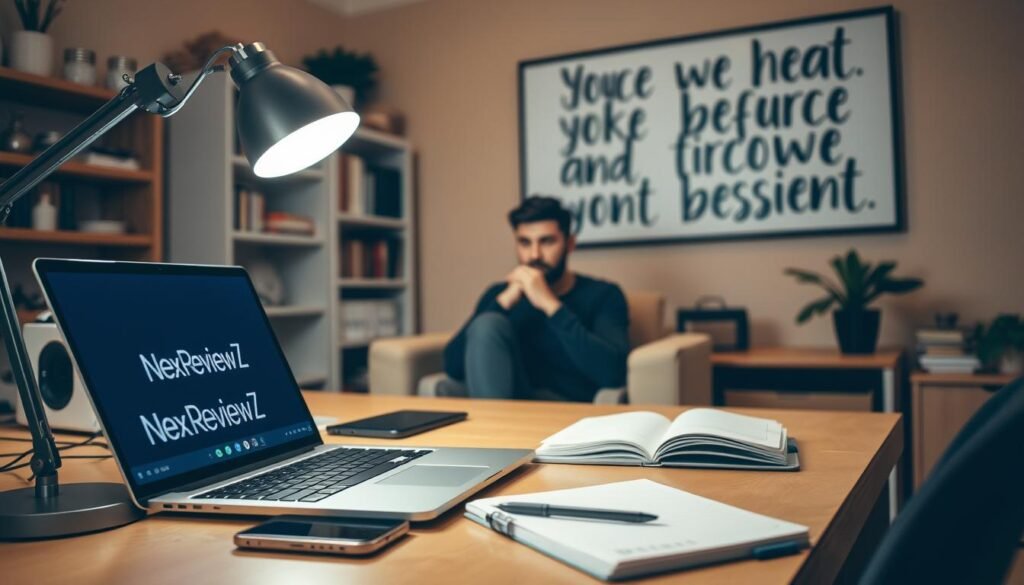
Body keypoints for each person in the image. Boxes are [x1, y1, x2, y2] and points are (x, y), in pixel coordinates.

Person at [443, 196, 630, 402]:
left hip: (569, 411)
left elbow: (613, 371)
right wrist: (501, 304)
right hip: (508, 408)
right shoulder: (499, 295)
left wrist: (551, 305)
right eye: (524, 243)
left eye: (547, 241)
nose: (534, 255)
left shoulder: (604, 295)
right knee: (488, 323)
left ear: (570, 244)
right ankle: (495, 429)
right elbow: (452, 366)